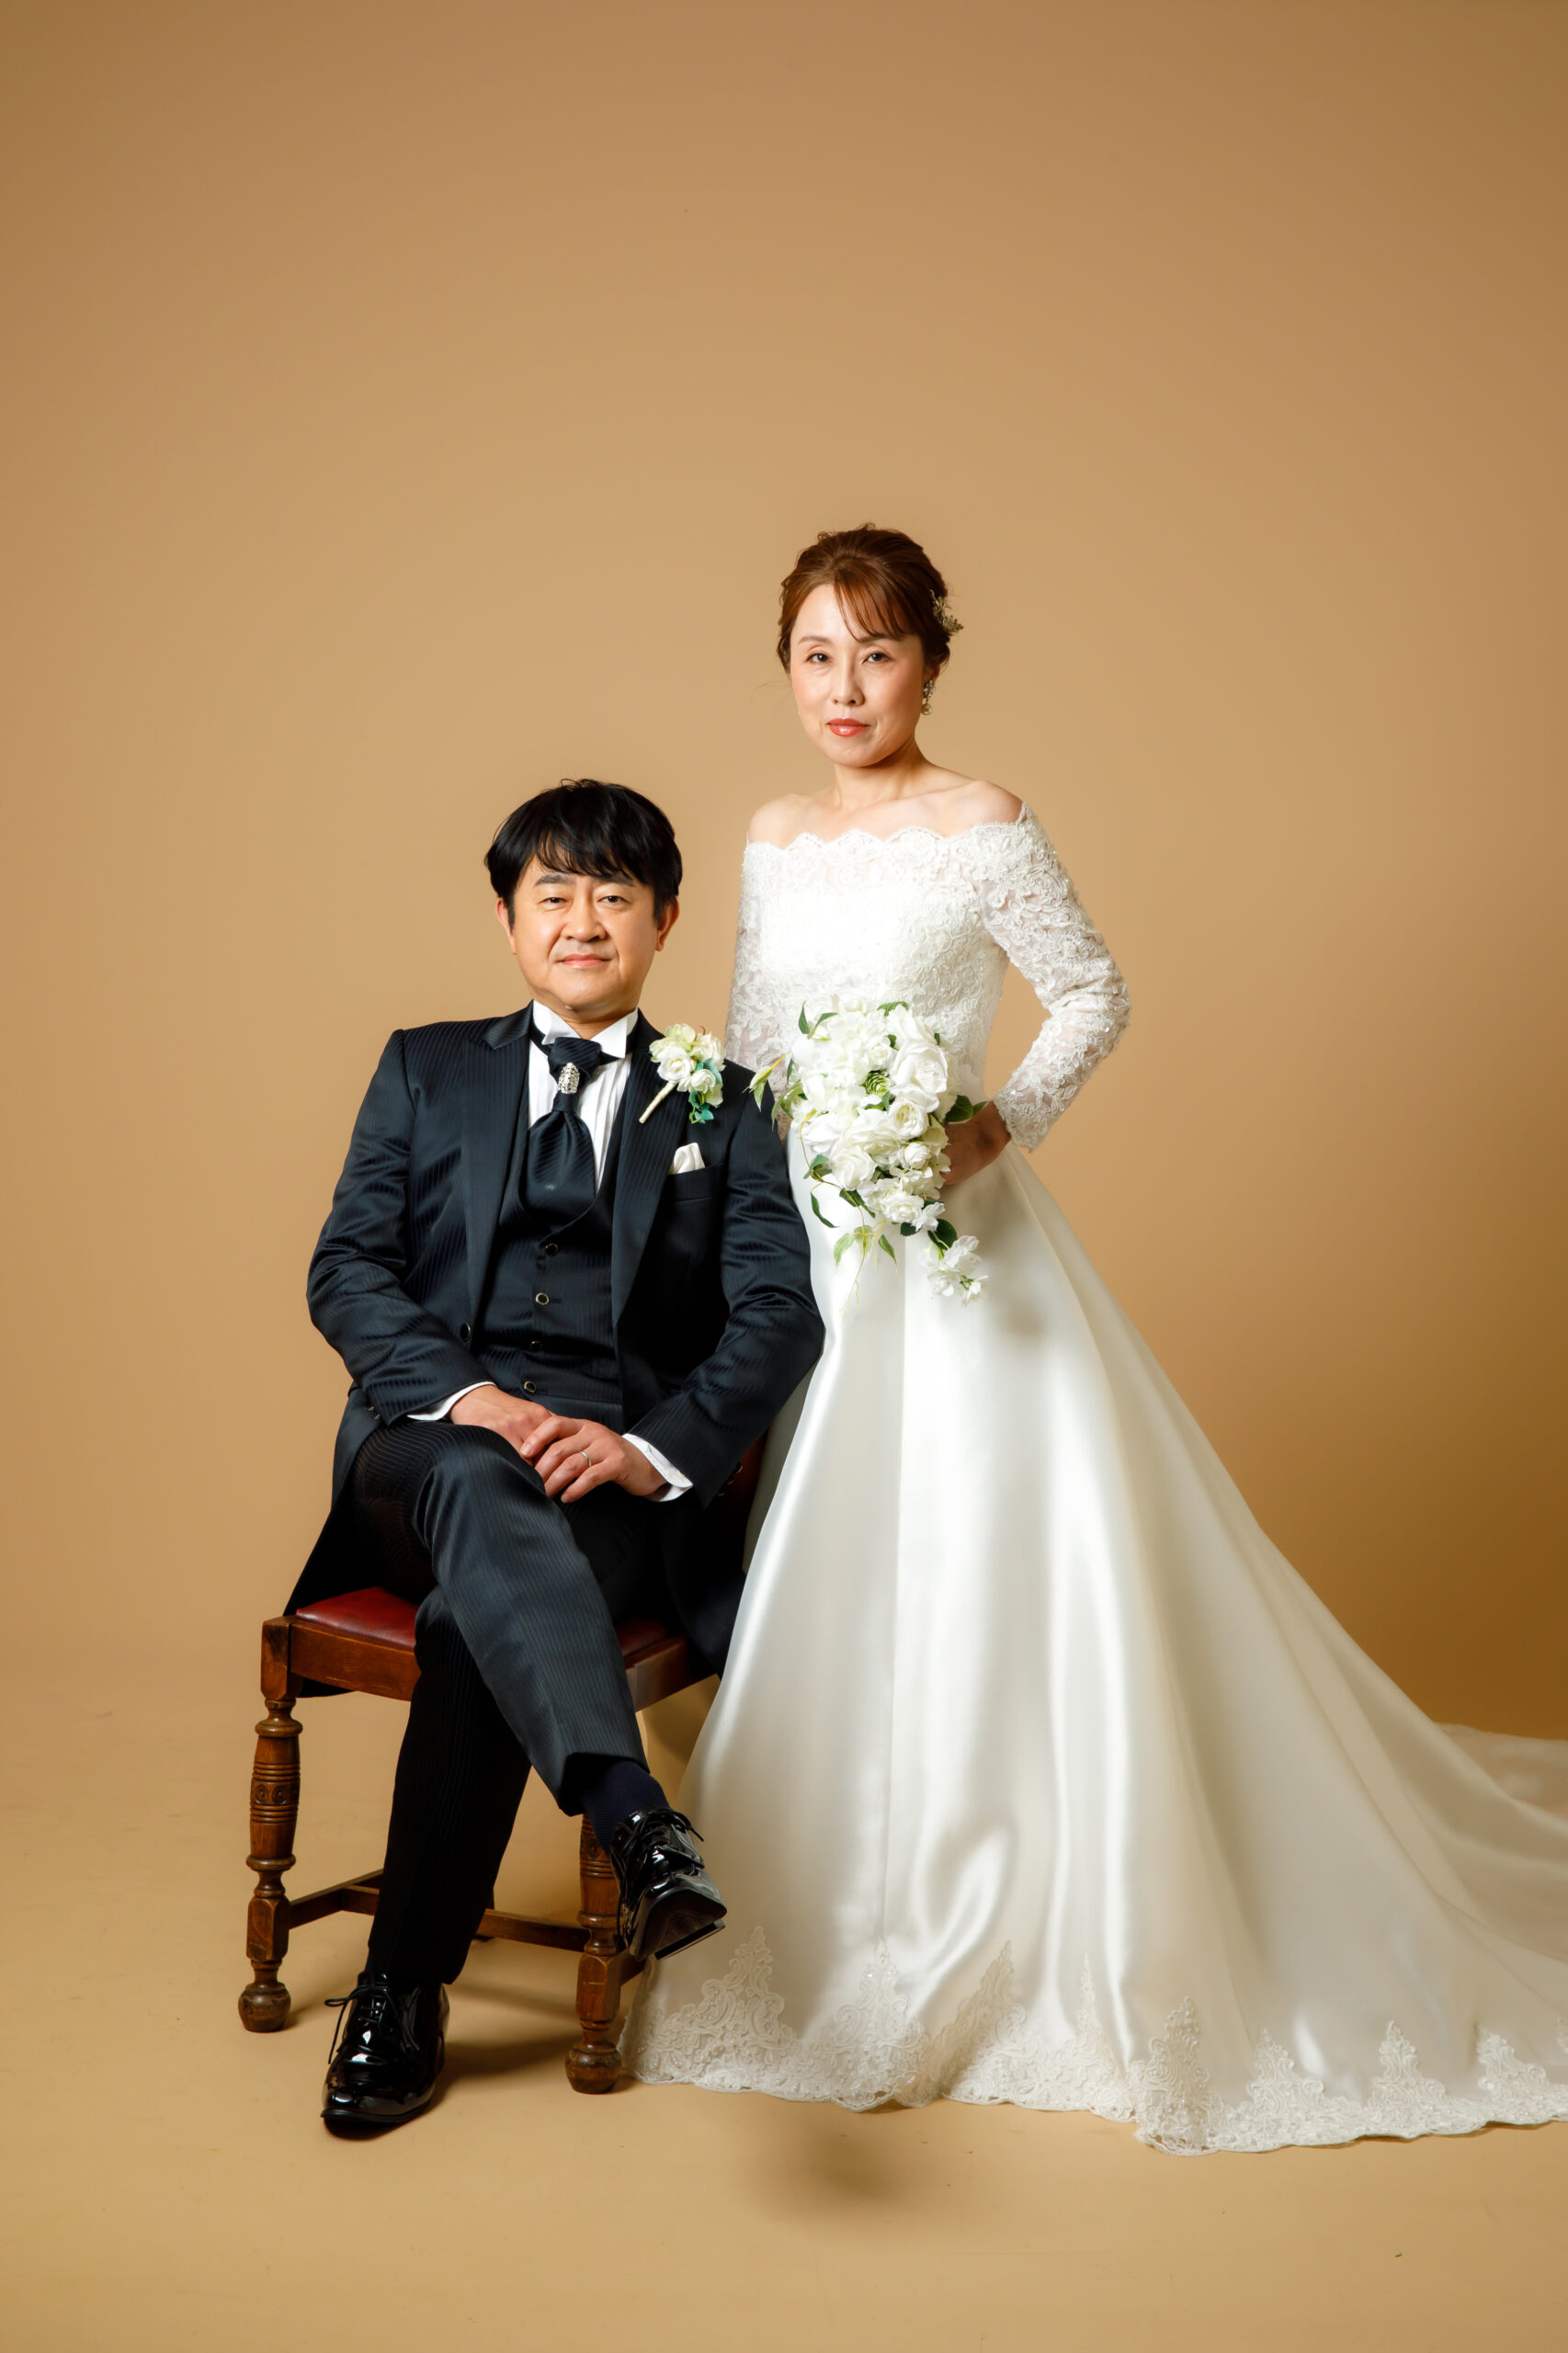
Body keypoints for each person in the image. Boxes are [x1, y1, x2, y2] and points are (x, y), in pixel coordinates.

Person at [622, 526, 1568, 2154]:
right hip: (812, 1254)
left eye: (876, 654)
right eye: (816, 657)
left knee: (993, 1550)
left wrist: (984, 1130)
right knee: (824, 1557)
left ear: (928, 665)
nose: (846, 689)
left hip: (956, 1253)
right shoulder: (773, 836)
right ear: (784, 670)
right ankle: (831, 1887)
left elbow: (1092, 994)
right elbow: (761, 1048)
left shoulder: (980, 821)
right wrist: (731, 1228)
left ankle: (1026, 1887)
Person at [293, 779, 823, 2131]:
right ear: (507, 915)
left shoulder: (726, 1103)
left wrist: (650, 1449)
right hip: (424, 1462)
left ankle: (399, 1990)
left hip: (606, 1490)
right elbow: (346, 1271)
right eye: (554, 894)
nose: (583, 921)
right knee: (476, 1483)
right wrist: (466, 1397)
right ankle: (635, 1813)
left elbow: (779, 1312)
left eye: (614, 896)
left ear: (664, 920)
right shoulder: (425, 1067)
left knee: (472, 1626)